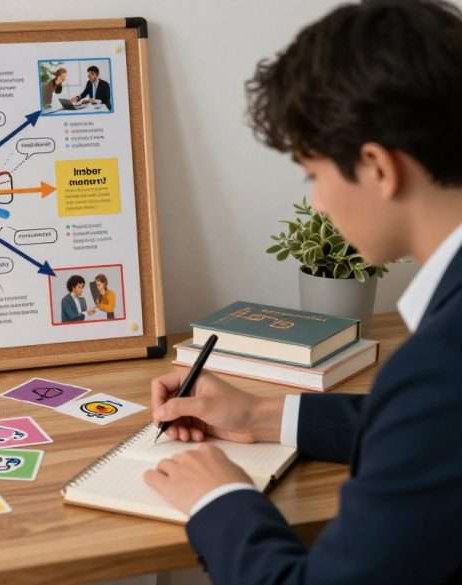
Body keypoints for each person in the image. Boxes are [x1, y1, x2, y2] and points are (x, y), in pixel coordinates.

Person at [143, 2, 462, 584]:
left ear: (377, 167)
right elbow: (432, 434)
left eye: (314, 174)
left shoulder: (439, 368)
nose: (316, 202)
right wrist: (260, 414)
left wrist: (220, 499)